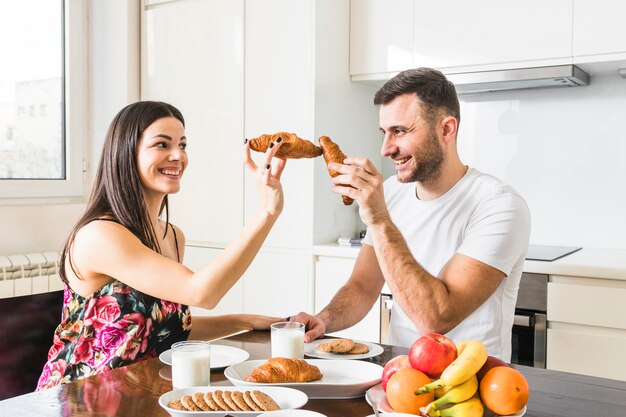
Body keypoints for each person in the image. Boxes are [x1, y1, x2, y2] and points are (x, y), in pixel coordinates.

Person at [37, 101, 287, 390]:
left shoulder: (172, 236)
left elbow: (166, 327)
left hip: (138, 394)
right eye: (162, 144)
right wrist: (267, 212)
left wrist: (245, 320)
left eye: (182, 144)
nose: (177, 155)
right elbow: (202, 292)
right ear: (126, 153)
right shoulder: (100, 235)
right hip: (76, 399)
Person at [292, 68, 530, 361]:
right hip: (400, 379)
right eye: (384, 132)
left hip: (471, 389)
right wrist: (324, 320)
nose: (386, 149)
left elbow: (436, 319)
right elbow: (363, 286)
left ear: (446, 129)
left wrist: (379, 219)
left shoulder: (499, 205)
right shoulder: (391, 192)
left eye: (400, 131)